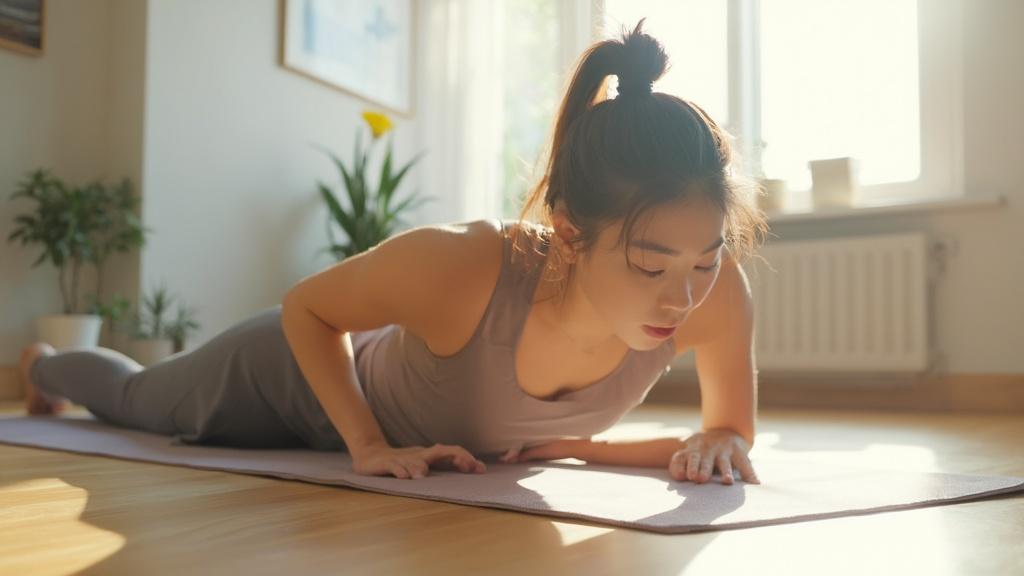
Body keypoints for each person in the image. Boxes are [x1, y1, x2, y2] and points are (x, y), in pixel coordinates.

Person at [20, 20, 766, 485]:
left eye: (704, 261)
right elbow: (306, 307)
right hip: (287, 378)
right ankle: (41, 367)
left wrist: (712, 443)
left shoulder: (716, 293)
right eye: (651, 265)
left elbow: (728, 430)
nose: (682, 297)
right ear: (570, 233)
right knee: (134, 401)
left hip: (387, 426)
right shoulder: (472, 264)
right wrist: (369, 445)